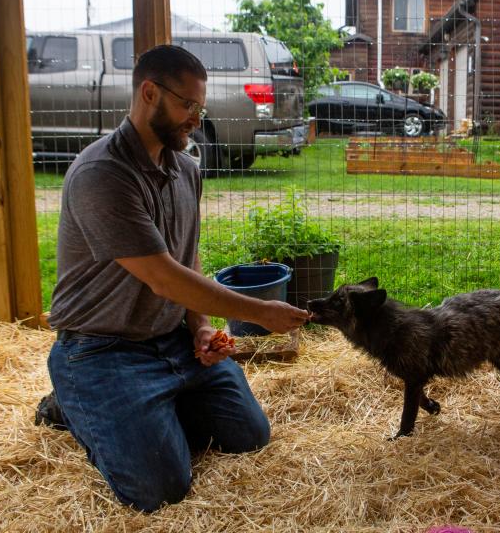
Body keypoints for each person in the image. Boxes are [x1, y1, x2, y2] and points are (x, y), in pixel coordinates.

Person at [34, 44, 309, 512]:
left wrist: (200, 326)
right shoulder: (103, 173)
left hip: (172, 340)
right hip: (103, 348)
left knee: (249, 436)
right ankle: (74, 404)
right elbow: (163, 278)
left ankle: (144, 410)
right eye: (187, 105)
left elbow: (185, 257)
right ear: (148, 93)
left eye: (199, 108)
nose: (196, 119)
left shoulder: (185, 169)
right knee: (161, 489)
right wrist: (260, 312)